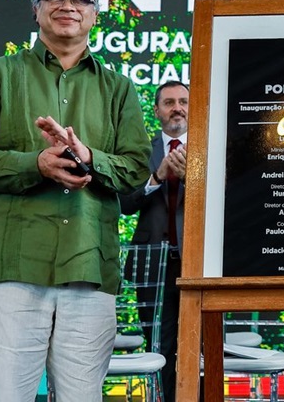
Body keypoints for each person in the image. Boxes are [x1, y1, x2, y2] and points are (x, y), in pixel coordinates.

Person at [0, 0, 151, 401]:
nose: (69, 6)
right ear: (37, 9)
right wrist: (36, 164)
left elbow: (137, 166)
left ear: (96, 13)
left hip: (88, 267)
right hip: (12, 266)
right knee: (5, 396)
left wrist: (90, 157)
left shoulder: (119, 88)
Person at [120, 80, 189, 401]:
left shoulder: (209, 149)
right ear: (158, 110)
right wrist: (156, 177)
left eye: (184, 101)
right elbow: (123, 203)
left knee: (193, 343)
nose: (178, 107)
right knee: (158, 342)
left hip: (195, 264)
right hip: (152, 264)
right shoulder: (141, 151)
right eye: (170, 102)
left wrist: (193, 178)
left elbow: (227, 202)